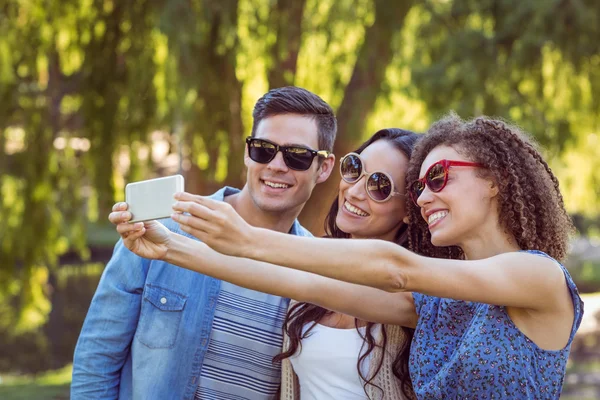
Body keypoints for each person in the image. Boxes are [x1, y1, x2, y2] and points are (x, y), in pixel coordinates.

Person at [161, 114, 584, 399]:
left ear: (495, 180)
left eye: (438, 177)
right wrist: (172, 248)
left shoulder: (539, 276)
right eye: (418, 186)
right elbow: (302, 284)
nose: (425, 197)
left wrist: (247, 239)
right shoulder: (440, 300)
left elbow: (397, 269)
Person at [111, 129, 420, 399]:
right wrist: (168, 244)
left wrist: (240, 237)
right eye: (354, 169)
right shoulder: (316, 256)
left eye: (379, 186)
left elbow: (272, 274)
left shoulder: (416, 290)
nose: (353, 191)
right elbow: (254, 273)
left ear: (409, 208)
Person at [71, 86, 337, 400]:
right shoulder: (162, 230)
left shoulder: (317, 268)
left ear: (325, 168)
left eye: (297, 156)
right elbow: (96, 358)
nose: (276, 165)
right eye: (263, 149)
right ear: (246, 152)